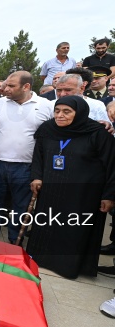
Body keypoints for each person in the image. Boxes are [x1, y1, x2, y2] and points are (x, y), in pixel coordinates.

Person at [26, 96, 115, 279]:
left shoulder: (97, 133)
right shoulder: (47, 129)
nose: (60, 115)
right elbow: (38, 156)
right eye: (57, 111)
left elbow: (112, 166)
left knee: (73, 229)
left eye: (67, 112)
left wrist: (109, 195)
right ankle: (41, 260)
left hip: (83, 195)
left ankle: (68, 266)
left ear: (80, 113)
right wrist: (36, 176)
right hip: (51, 190)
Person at [0, 71, 53, 242]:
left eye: (11, 86)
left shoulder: (46, 106)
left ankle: (15, 237)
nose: (6, 89)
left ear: (26, 87)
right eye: (6, 85)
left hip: (26, 166)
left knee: (20, 205)